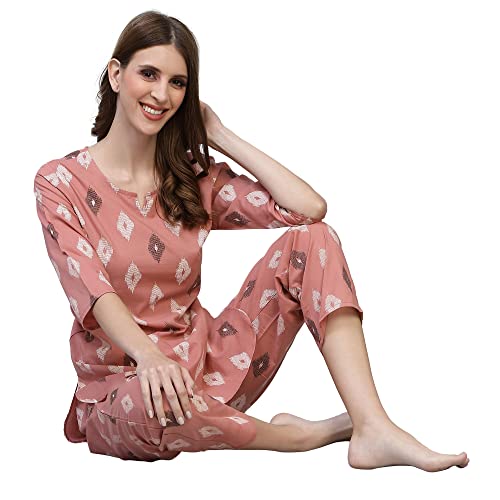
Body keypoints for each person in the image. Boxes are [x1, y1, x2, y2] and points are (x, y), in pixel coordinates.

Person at [33, 10, 469, 471]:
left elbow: (308, 209)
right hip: (127, 391)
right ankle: (301, 436)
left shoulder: (189, 177)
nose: (162, 94)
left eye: (178, 83)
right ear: (116, 74)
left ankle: (372, 425)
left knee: (314, 241)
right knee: (155, 404)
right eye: (149, 74)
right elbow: (93, 290)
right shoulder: (60, 182)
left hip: (211, 375)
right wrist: (150, 357)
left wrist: (219, 135)